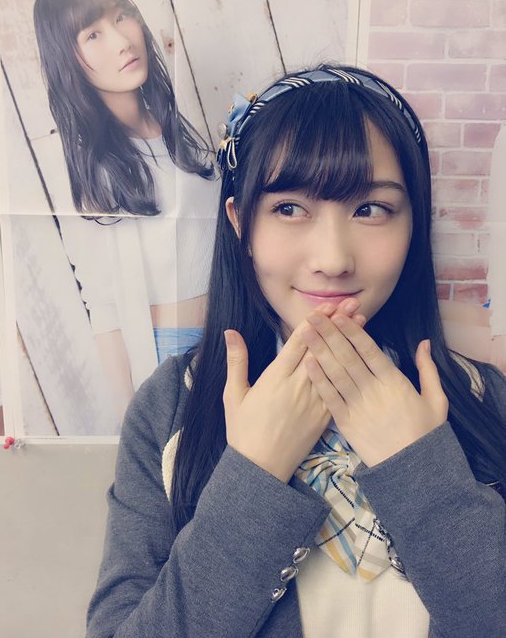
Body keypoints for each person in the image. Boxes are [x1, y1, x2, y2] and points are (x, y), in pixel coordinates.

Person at [86, 65, 506, 637]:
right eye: (288, 208)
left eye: (371, 209)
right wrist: (254, 474)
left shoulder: (485, 401)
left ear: (414, 224)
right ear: (240, 222)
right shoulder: (171, 408)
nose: (333, 259)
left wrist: (421, 471)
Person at [33, 0, 219, 413]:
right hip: (172, 356)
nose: (121, 41)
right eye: (93, 34)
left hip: (230, 334)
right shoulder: (90, 165)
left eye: (121, 16)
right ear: (66, 59)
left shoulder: (177, 130)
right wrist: (130, 416)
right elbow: (102, 302)